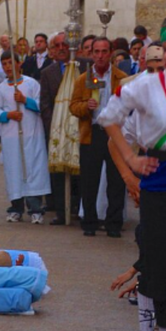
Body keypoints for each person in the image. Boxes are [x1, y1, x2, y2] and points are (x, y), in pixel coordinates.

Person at [99, 16, 166, 331]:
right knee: (160, 266)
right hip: (157, 184)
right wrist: (131, 162)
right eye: (164, 49)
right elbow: (109, 118)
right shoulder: (146, 87)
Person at [69, 37, 128, 237]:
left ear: (110, 52)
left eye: (104, 51)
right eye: (97, 52)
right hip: (92, 133)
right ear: (91, 54)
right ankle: (90, 222)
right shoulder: (83, 79)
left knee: (116, 181)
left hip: (115, 134)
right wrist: (86, 106)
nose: (101, 56)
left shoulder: (121, 78)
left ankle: (113, 223)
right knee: (89, 181)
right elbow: (73, 106)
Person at [0, 51, 51, 224]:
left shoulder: (31, 84)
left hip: (32, 135)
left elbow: (42, 104)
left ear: (19, 63)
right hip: (11, 138)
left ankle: (35, 208)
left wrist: (25, 100)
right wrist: (8, 115)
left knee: (33, 170)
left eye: (10, 62)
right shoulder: (1, 88)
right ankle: (16, 207)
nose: (8, 67)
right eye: (5, 64)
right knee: (15, 171)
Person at [39, 32, 85, 226]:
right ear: (52, 50)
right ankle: (60, 210)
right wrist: (53, 128)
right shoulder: (48, 73)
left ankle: (78, 207)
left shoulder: (83, 67)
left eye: (64, 45)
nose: (61, 48)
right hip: (58, 129)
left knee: (81, 171)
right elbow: (45, 104)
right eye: (57, 45)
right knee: (58, 174)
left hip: (80, 127)